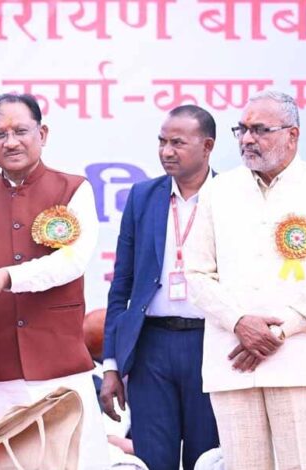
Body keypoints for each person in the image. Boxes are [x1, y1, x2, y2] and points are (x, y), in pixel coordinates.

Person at [185, 90, 306, 469]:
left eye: (260, 130)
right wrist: (240, 323)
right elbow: (196, 273)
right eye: (242, 129)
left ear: (293, 135)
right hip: (234, 360)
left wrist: (278, 332)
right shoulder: (218, 191)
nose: (247, 139)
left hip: (299, 364)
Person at [0, 93, 110, 468]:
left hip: (57, 362)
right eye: (0, 135)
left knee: (69, 461)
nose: (11, 142)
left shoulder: (73, 189)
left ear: (42, 134)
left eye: (20, 131)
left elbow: (71, 261)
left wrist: (9, 277)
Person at [100, 105, 220, 470]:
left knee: (209, 458)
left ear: (207, 146)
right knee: (152, 458)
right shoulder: (143, 196)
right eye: (162, 142)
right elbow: (121, 285)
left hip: (211, 343)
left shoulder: (232, 197)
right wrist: (111, 364)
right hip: (151, 347)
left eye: (177, 143)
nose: (166, 151)